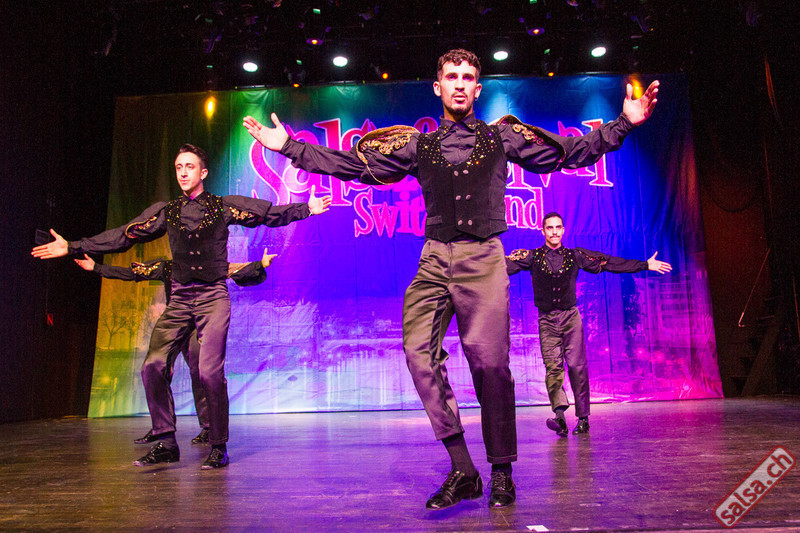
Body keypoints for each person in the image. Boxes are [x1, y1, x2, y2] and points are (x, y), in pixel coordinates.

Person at [242, 48, 659, 508]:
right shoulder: (419, 145)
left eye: (467, 77)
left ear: (478, 89)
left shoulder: (502, 137)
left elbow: (565, 153)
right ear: (437, 87)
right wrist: (290, 148)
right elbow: (356, 166)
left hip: (484, 258)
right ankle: (463, 468)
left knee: (490, 365)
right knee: (418, 352)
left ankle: (501, 471)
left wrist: (623, 124)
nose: (459, 83)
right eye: (451, 76)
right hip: (435, 258)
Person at [32, 143, 331, 469]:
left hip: (212, 298)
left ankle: (218, 445)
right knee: (152, 366)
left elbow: (268, 214)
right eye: (178, 167)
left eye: (190, 166)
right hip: (180, 300)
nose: (183, 172)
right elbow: (124, 235)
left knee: (209, 372)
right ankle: (165, 441)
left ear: (203, 172)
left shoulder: (222, 207)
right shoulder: (167, 212)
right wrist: (74, 246)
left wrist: (307, 208)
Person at [74, 248, 277, 446]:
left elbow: (236, 269)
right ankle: (161, 427)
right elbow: (134, 273)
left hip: (196, 327)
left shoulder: (208, 266)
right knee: (156, 369)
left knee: (200, 373)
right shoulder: (167, 267)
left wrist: (260, 264)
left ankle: (208, 427)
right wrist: (97, 268)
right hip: (175, 325)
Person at [506, 212, 672, 437]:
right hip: (547, 320)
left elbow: (608, 262)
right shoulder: (532, 256)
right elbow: (501, 265)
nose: (554, 232)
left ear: (563, 230)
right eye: (550, 228)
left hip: (570, 318)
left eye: (558, 227)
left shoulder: (575, 255)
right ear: (542, 231)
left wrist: (644, 265)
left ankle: (583, 418)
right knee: (553, 368)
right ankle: (560, 417)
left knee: (577, 366)